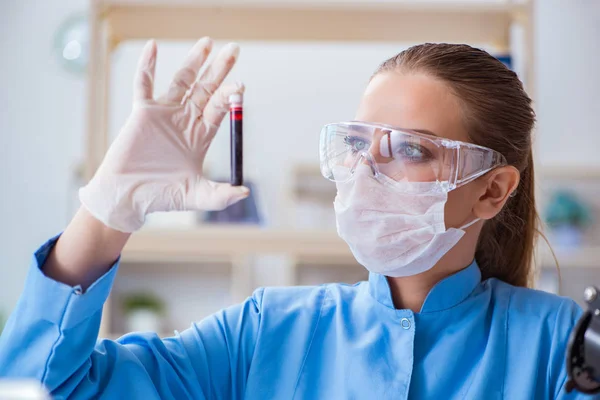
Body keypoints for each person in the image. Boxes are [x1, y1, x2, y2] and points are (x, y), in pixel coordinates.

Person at [0, 37, 588, 399]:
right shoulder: (264, 334)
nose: (367, 171)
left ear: (493, 191)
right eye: (358, 145)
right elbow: (45, 391)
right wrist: (104, 214)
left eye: (411, 149)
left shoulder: (565, 348)